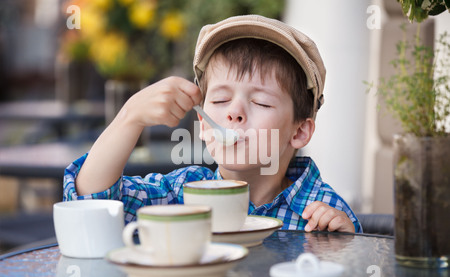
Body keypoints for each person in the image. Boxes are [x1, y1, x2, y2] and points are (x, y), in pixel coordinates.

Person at [63, 15, 362, 233]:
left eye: (260, 102)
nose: (235, 113)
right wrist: (130, 116)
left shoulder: (323, 210)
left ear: (299, 131)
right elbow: (90, 199)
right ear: (203, 126)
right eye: (220, 101)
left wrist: (346, 246)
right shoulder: (181, 194)